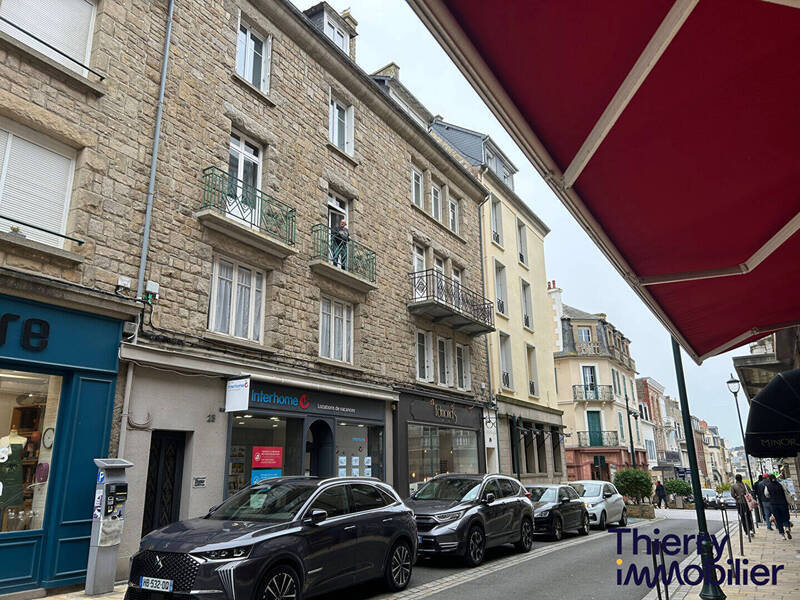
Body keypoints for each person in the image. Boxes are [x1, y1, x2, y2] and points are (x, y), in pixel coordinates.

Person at [765, 474, 792, 540]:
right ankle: (787, 527)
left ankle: (782, 535)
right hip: (783, 503)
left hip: (774, 504)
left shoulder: (767, 486)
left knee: (778, 519)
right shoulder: (781, 484)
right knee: (785, 516)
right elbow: (786, 491)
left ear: (769, 479)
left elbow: (766, 495)